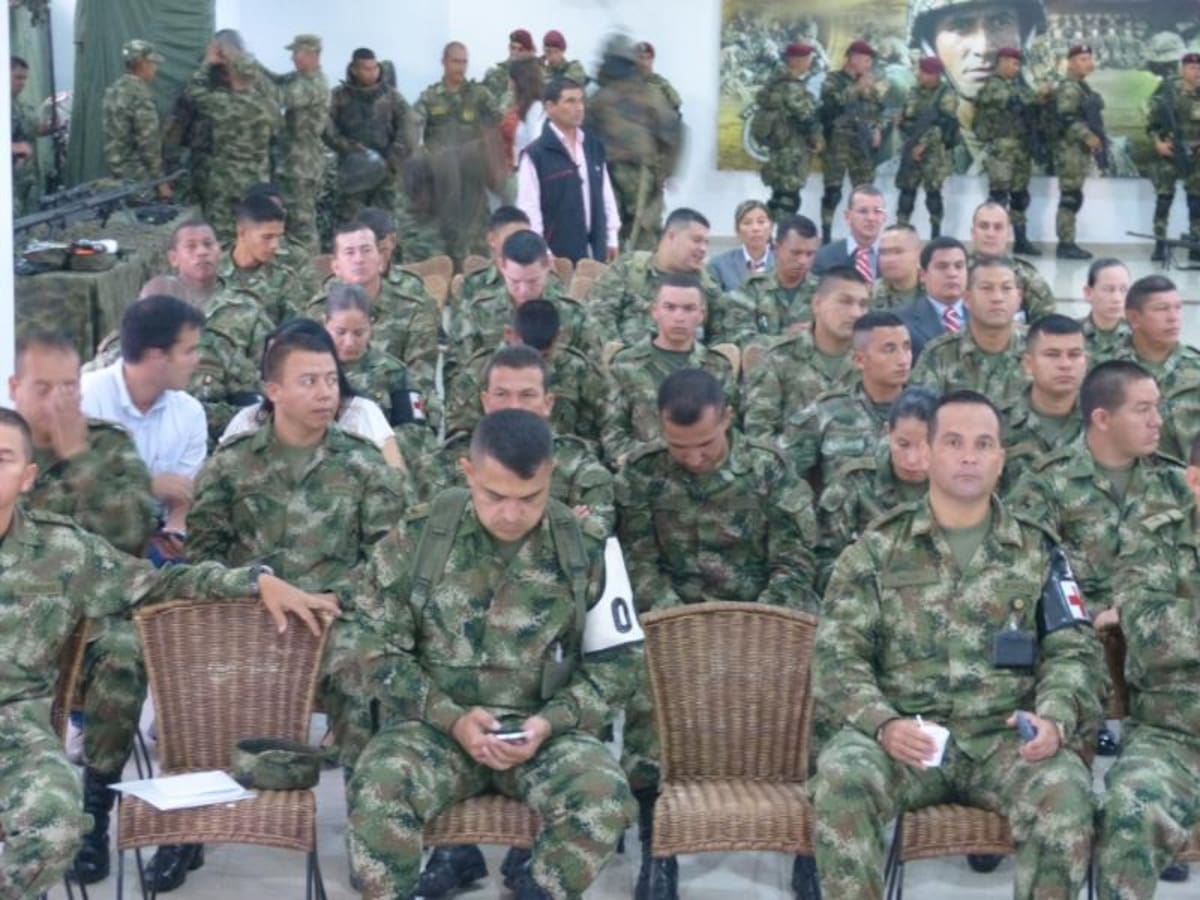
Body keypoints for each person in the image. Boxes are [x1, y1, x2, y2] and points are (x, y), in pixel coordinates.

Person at [0, 407, 336, 900]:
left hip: (15, 736)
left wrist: (255, 579)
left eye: (3, 458)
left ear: (28, 477)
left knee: (58, 825)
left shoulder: (61, 552)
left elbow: (160, 584)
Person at [811, 389, 1100, 900]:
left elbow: (1073, 649)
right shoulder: (876, 550)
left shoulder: (1039, 550)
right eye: (954, 442)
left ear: (1001, 459)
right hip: (906, 738)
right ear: (928, 452)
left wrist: (1055, 719)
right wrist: (883, 723)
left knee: (1067, 792)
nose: (969, 455)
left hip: (1005, 741)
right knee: (842, 779)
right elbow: (838, 655)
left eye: (984, 443)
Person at [346, 409, 640, 900]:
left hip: (540, 733)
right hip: (434, 730)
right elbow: (375, 649)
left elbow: (619, 666)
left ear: (552, 475)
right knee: (378, 790)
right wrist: (453, 719)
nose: (510, 513)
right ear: (468, 472)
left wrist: (550, 722)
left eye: (530, 498)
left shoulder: (585, 549)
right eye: (494, 495)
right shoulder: (418, 539)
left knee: (604, 796)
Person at [614, 367, 820, 895]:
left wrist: (752, 631)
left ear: (728, 419)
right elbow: (638, 563)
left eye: (705, 443)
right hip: (673, 626)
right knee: (641, 695)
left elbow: (795, 564)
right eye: (679, 446)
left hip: (763, 624)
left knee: (817, 689)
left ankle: (809, 843)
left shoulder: (769, 471)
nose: (694, 457)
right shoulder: (641, 474)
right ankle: (656, 844)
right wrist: (686, 631)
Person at [8, 334, 157, 885]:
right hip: (18, 622)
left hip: (89, 619)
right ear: (14, 388)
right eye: (43, 387)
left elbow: (136, 535)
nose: (58, 401)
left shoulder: (108, 446)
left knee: (123, 652)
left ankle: (93, 812)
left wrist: (80, 459)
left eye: (69, 386)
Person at [1009, 360, 1191, 777]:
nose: (1157, 421)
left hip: (1159, 638)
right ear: (1103, 419)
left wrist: (1129, 612)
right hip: (1075, 637)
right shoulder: (1046, 485)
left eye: (1157, 407)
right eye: (1142, 409)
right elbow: (1022, 573)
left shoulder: (1176, 484)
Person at [1095, 416, 1200, 895]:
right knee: (1130, 806)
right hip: (1172, 738)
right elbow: (1150, 635)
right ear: (1194, 479)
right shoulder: (1153, 537)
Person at [413, 345, 614, 535]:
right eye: (502, 394)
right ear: (485, 401)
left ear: (548, 403)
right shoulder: (443, 464)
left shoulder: (579, 465)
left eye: (527, 395)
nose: (514, 405)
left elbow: (594, 535)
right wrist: (559, 525)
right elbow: (431, 534)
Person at [81, 296, 208, 536]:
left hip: (154, 542)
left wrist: (175, 532)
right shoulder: (84, 400)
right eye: (189, 351)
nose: (197, 360)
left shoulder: (190, 413)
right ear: (156, 356)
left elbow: (182, 497)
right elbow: (69, 495)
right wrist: (148, 487)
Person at [601, 274, 739, 467]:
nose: (679, 317)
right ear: (655, 311)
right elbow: (612, 435)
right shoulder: (625, 365)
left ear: (701, 315)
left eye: (689, 308)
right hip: (644, 475)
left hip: (705, 470)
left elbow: (731, 430)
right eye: (670, 307)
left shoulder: (717, 366)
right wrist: (652, 460)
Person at [815, 386, 935, 586]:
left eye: (925, 446)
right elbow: (823, 563)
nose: (912, 459)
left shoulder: (958, 487)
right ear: (888, 433)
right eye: (903, 445)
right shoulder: (855, 481)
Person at [445, 298, 604, 444]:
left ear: (559, 337)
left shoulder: (579, 369)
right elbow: (460, 437)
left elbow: (601, 427)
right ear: (509, 335)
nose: (534, 360)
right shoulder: (478, 371)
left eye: (544, 355)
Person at [783, 311, 913, 487]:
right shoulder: (826, 413)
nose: (903, 359)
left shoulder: (929, 412)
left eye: (906, 347)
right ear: (859, 360)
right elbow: (785, 477)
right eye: (889, 349)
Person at [307, 221, 440, 390]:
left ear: (381, 260)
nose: (359, 260)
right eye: (349, 252)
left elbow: (420, 379)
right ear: (336, 266)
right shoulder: (318, 310)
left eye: (366, 250)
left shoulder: (414, 308)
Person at [742, 266, 869, 440]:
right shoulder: (778, 357)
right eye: (845, 302)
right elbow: (759, 432)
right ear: (817, 304)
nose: (856, 313)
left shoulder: (872, 359)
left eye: (863, 305)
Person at [322, 284, 436, 468]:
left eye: (359, 333)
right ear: (325, 323)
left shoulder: (392, 371)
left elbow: (413, 431)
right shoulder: (311, 368)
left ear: (371, 325)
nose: (349, 342)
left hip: (381, 463)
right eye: (340, 332)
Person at [588, 35, 682, 251]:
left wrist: (666, 171)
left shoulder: (603, 96)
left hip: (634, 174)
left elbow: (674, 133)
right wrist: (667, 171)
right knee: (620, 232)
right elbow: (674, 134)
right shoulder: (645, 94)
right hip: (616, 173)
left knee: (635, 233)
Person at [909, 255, 1028, 423]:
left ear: (1019, 298)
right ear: (966, 298)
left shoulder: (1040, 349)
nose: (997, 298)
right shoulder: (939, 354)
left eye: (1006, 288)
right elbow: (918, 418)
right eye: (986, 288)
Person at [413, 42, 503, 261]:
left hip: (473, 180)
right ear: (443, 62)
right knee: (445, 243)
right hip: (443, 182)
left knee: (477, 243)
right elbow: (413, 127)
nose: (460, 67)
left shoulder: (479, 95)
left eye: (464, 62)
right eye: (455, 61)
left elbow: (500, 124)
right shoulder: (430, 97)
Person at [516, 77, 621, 263]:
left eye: (581, 100)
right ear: (549, 107)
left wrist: (611, 236)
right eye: (570, 101)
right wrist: (543, 253)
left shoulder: (593, 146)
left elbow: (605, 195)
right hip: (556, 258)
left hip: (595, 253)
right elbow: (529, 210)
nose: (579, 108)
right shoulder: (535, 155)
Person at [453, 229, 597, 363]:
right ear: (501, 266)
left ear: (547, 266)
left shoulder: (573, 314)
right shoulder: (478, 312)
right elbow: (458, 371)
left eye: (532, 281)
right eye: (515, 281)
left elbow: (594, 371)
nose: (523, 291)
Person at [590, 208, 728, 345]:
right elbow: (598, 316)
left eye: (706, 243)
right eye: (697, 240)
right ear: (671, 236)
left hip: (687, 364)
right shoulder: (629, 268)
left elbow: (723, 331)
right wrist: (619, 357)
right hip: (628, 361)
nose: (703, 249)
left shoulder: (706, 282)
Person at [195, 54, 280, 242]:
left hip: (225, 179)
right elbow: (276, 137)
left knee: (222, 234)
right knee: (255, 229)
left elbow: (193, 90)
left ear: (231, 74)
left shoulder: (220, 102)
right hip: (257, 180)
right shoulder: (270, 106)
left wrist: (207, 62)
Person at [1116, 274, 1200, 462]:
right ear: (1134, 317)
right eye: (1162, 309)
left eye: (1178, 308)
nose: (1173, 317)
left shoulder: (1197, 368)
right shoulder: (1108, 369)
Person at [974, 48, 1048, 256]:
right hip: (1002, 148)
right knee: (998, 197)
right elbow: (1013, 101)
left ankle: (1021, 240)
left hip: (1021, 148)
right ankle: (992, 243)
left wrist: (1040, 98)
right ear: (1003, 62)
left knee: (1020, 196)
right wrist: (1036, 98)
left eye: (1018, 64)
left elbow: (1031, 102)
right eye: (1013, 63)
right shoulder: (992, 86)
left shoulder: (1018, 86)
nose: (1016, 68)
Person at [326, 47, 413, 223]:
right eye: (366, 69)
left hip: (387, 171)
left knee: (384, 222)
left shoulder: (391, 96)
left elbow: (409, 125)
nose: (372, 73)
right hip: (353, 171)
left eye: (375, 68)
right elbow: (325, 127)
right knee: (352, 223)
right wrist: (347, 147)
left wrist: (394, 156)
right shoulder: (338, 96)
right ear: (354, 70)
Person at [1002, 314, 1087, 481]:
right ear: (1028, 364)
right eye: (1052, 355)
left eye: (1074, 355)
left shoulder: (1103, 423)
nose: (1065, 365)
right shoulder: (999, 422)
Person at [818, 42, 885, 245]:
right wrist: (857, 88)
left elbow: (877, 109)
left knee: (865, 193)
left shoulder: (868, 83)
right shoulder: (832, 80)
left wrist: (877, 128)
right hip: (838, 143)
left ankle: (863, 238)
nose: (868, 64)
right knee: (833, 192)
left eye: (870, 61)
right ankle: (827, 237)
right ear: (853, 58)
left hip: (862, 144)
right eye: (866, 60)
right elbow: (832, 105)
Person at [723, 214, 821, 346]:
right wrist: (787, 338)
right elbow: (738, 338)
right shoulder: (752, 288)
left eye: (810, 254)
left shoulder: (823, 292)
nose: (803, 261)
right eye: (796, 253)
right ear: (776, 248)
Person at [754, 42, 823, 223]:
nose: (810, 62)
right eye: (808, 59)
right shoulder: (791, 86)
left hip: (780, 149)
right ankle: (781, 241)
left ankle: (767, 239)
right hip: (791, 150)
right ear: (796, 61)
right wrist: (816, 136)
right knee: (789, 200)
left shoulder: (775, 82)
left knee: (778, 197)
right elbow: (804, 115)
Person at [273, 34, 330, 251]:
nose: (293, 58)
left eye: (296, 53)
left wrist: (249, 71)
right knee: (290, 223)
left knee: (302, 226)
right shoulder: (299, 78)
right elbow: (276, 80)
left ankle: (311, 273)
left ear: (312, 54)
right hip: (292, 164)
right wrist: (253, 65)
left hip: (302, 167)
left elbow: (279, 96)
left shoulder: (314, 83)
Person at [219, 193, 307, 325]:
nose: (275, 245)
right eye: (267, 237)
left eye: (279, 237)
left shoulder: (284, 280)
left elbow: (295, 333)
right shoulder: (210, 270)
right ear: (242, 232)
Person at [1145, 52, 1200, 262]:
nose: (1197, 72)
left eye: (1199, 68)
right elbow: (1151, 125)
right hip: (1170, 154)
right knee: (1164, 200)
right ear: (1183, 69)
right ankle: (1160, 245)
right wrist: (1158, 143)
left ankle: (1196, 244)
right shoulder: (1168, 92)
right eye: (1192, 68)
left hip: (1196, 157)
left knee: (1196, 202)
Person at [895, 57, 959, 238]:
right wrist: (900, 122)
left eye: (924, 72)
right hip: (911, 146)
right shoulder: (914, 91)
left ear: (934, 74)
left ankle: (935, 235)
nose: (919, 75)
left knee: (933, 193)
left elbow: (944, 124)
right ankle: (901, 231)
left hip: (934, 153)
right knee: (907, 191)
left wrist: (923, 145)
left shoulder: (946, 94)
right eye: (920, 71)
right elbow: (907, 117)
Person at [1053, 45, 1105, 260]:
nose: (1088, 63)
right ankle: (1065, 244)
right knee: (1070, 197)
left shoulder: (1081, 87)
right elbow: (1066, 118)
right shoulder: (1069, 88)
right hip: (1070, 149)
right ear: (1071, 62)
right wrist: (1087, 136)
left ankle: (1067, 241)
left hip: (1078, 150)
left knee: (1074, 195)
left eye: (1089, 59)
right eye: (1083, 59)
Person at [967, 201, 1057, 324]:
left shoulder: (1028, 277)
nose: (990, 233)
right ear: (973, 232)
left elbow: (1047, 326)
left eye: (998, 227)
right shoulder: (957, 273)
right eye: (984, 226)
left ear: (1009, 234)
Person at [102, 40, 170, 195]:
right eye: (153, 63)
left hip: (116, 171)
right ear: (143, 63)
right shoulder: (140, 95)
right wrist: (160, 182)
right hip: (138, 175)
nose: (156, 68)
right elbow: (148, 142)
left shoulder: (113, 90)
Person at [897, 235, 968, 360]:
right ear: (923, 275)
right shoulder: (902, 322)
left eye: (959, 266)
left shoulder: (982, 319)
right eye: (942, 266)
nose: (952, 274)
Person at [812, 183, 887, 280]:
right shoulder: (824, 257)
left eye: (877, 211)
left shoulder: (894, 257)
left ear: (884, 217)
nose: (871, 218)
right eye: (863, 211)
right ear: (847, 217)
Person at [707, 199, 775, 291]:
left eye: (761, 222)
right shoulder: (719, 265)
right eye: (747, 223)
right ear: (737, 230)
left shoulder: (784, 263)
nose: (755, 228)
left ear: (771, 227)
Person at [1080, 258, 1131, 365]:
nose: (1117, 298)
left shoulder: (1140, 337)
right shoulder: (1072, 335)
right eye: (1108, 289)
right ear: (1088, 293)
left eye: (1123, 289)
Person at [872, 224, 923, 310]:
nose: (889, 259)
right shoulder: (869, 295)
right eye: (883, 252)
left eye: (898, 252)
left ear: (918, 254)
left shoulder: (936, 291)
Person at [482, 29, 538, 105]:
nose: (515, 52)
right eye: (512, 48)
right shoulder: (495, 75)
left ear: (529, 51)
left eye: (520, 49)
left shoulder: (537, 76)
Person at [634, 41, 683, 114]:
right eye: (641, 58)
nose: (644, 63)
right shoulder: (626, 81)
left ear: (652, 60)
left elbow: (676, 113)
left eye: (648, 58)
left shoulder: (662, 85)